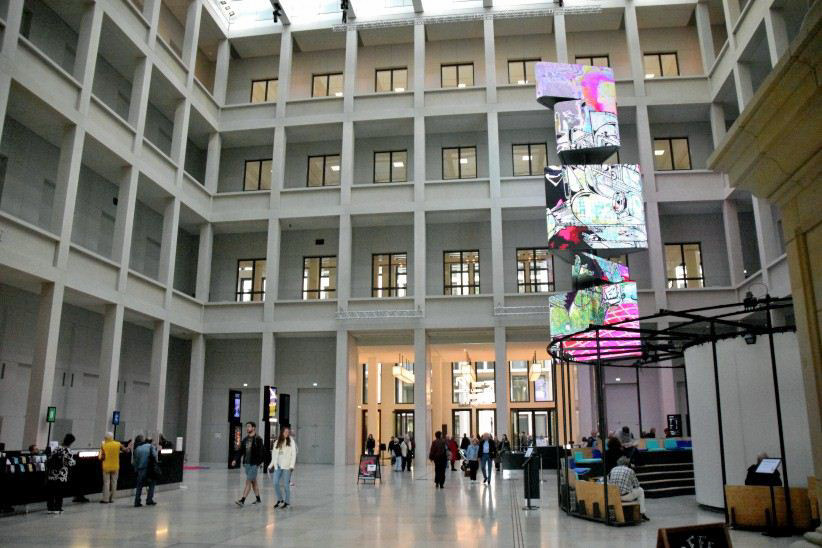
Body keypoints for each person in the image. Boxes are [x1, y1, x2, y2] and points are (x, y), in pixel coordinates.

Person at [232, 421, 265, 506]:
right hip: (247, 464)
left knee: (248, 481)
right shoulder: (245, 440)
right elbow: (240, 451)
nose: (247, 428)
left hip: (254, 464)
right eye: (247, 427)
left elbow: (262, 452)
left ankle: (242, 500)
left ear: (253, 428)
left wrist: (258, 463)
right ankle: (258, 499)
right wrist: (235, 460)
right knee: (254, 482)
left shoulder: (258, 439)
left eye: (249, 426)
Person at [608, 456, 649, 521]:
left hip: (615, 496)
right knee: (640, 490)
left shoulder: (613, 469)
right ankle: (642, 513)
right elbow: (637, 485)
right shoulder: (630, 470)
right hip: (625, 496)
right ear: (627, 463)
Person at [46, 433, 76, 514]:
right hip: (61, 474)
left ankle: (50, 507)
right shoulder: (68, 451)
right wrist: (74, 462)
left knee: (51, 491)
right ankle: (57, 507)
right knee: (59, 492)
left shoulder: (57, 448)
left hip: (52, 474)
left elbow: (50, 458)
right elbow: (70, 463)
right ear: (71, 442)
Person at [268, 426, 297, 509]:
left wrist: (292, 466)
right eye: (285, 432)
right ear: (282, 432)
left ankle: (287, 502)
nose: (287, 433)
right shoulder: (277, 442)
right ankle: (280, 499)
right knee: (275, 482)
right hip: (278, 466)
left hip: (287, 467)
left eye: (288, 432)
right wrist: (271, 465)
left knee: (286, 485)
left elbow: (293, 454)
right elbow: (274, 455)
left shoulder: (291, 441)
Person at [133, 435, 158, 507]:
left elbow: (136, 461)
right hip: (150, 469)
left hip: (141, 469)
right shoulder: (151, 447)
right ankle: (149, 500)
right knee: (152, 484)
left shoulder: (138, 448)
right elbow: (155, 457)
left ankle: (137, 501)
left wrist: (136, 469)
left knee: (139, 485)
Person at [98, 432, 123, 504]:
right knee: (114, 482)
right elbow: (125, 449)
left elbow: (100, 457)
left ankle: (105, 499)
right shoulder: (118, 444)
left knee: (106, 483)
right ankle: (112, 498)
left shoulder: (103, 444)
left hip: (106, 466)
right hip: (115, 466)